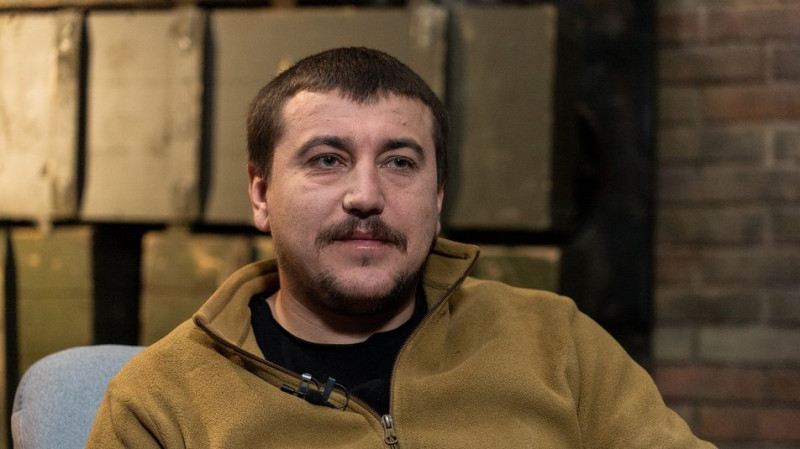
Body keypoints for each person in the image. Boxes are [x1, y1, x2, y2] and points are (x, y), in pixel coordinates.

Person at [86, 47, 715, 448]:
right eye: (326, 159)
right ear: (260, 194)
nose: (366, 195)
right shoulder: (159, 404)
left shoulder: (557, 342)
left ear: (437, 198)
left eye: (400, 162)